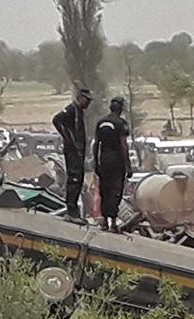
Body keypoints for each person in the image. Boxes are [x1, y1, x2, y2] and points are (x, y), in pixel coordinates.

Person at [51, 87, 91, 222]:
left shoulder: (79, 112)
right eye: (86, 100)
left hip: (79, 151)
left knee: (78, 180)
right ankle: (71, 211)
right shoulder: (71, 110)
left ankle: (74, 211)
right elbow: (56, 120)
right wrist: (67, 138)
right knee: (74, 179)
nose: (88, 103)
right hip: (72, 150)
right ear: (80, 98)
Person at [95, 96, 135, 228]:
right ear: (121, 109)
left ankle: (105, 221)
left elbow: (96, 144)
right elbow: (123, 145)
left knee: (104, 190)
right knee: (115, 190)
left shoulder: (101, 122)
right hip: (117, 161)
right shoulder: (121, 124)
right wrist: (128, 165)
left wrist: (96, 162)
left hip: (104, 159)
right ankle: (113, 223)